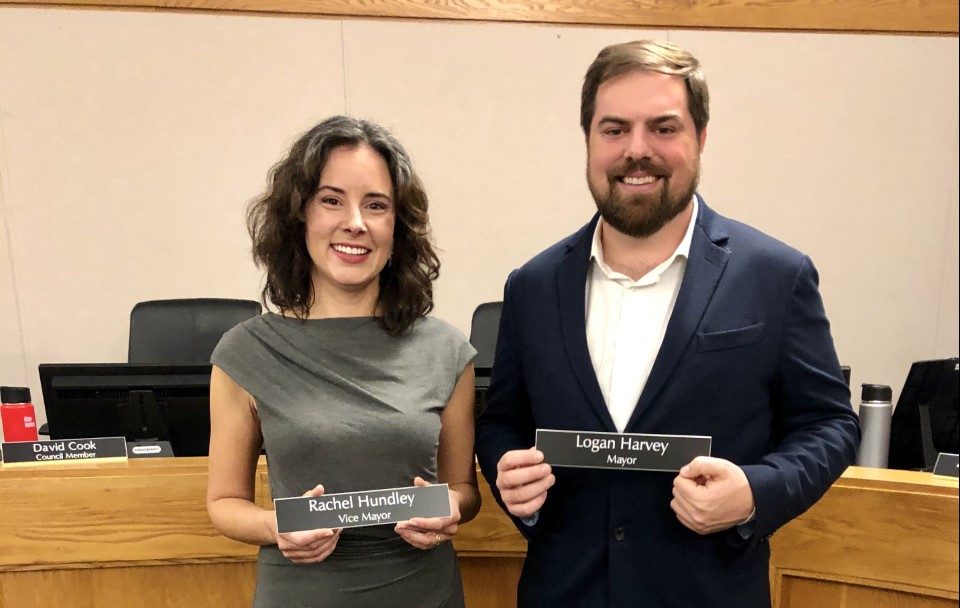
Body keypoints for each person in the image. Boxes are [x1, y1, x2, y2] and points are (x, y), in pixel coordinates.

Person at [475, 40, 860, 608]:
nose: (637, 150)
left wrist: (756, 491)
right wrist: (508, 475)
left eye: (663, 127)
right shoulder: (531, 286)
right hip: (564, 592)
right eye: (614, 129)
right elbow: (503, 421)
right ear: (587, 140)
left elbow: (829, 424)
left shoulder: (776, 275)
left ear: (700, 138)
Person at [207, 116, 480, 608]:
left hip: (423, 591)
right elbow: (224, 504)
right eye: (331, 200)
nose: (355, 222)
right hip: (302, 590)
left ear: (397, 228)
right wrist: (278, 525)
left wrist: (449, 509)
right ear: (300, 216)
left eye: (376, 205)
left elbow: (464, 489)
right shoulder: (243, 353)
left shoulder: (447, 351)